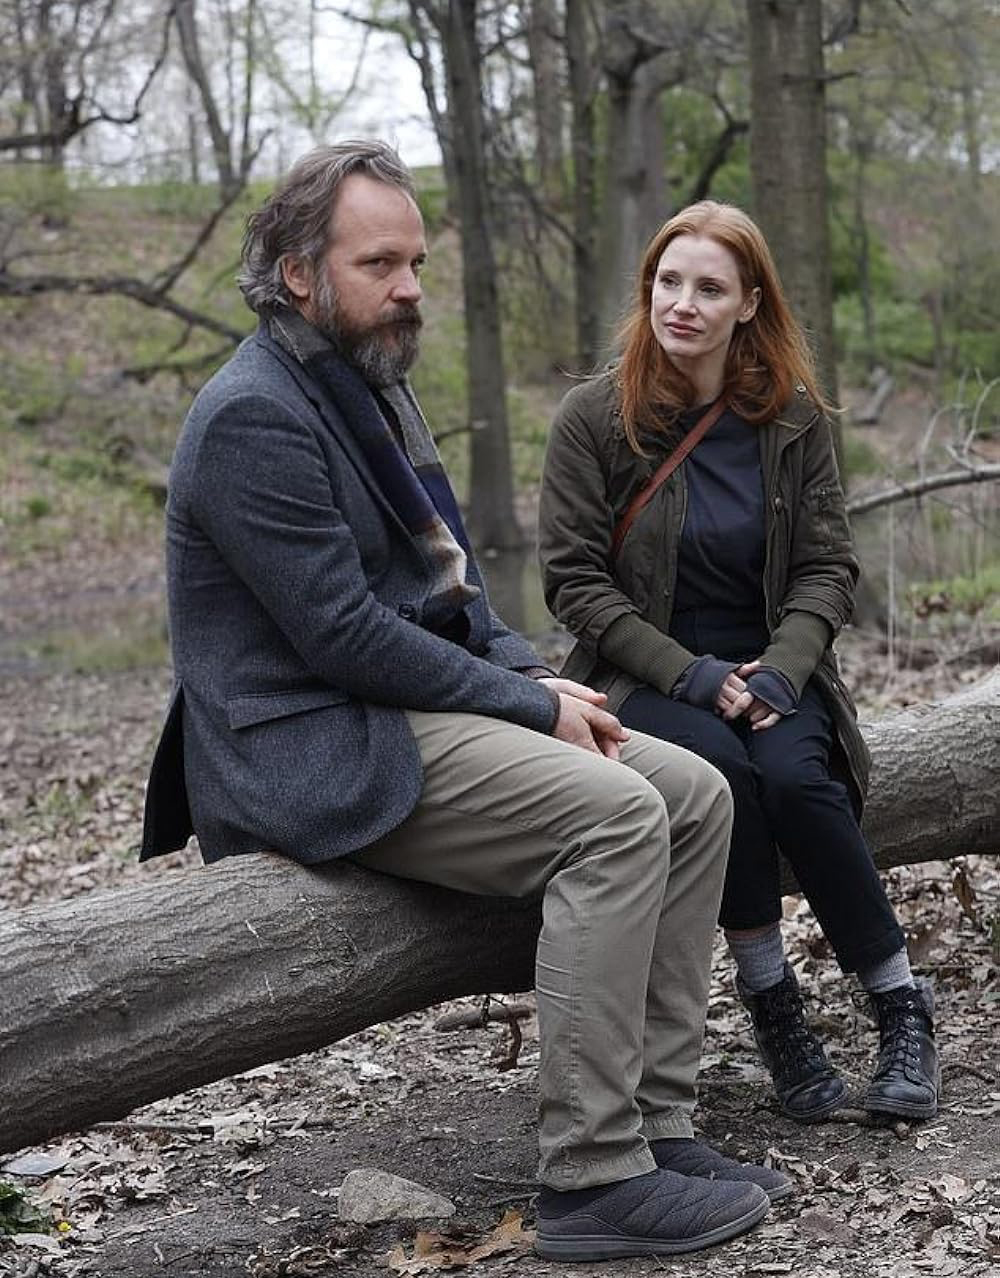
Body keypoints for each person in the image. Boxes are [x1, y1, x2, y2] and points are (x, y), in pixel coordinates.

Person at [140, 144, 792, 1262]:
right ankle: (593, 1177)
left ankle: (657, 1125)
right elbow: (342, 635)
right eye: (379, 264)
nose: (409, 288)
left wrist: (530, 675)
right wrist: (529, 711)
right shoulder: (254, 415)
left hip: (392, 704)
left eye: (417, 264)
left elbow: (449, 587)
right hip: (309, 740)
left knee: (694, 791)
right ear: (297, 274)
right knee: (616, 813)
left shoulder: (364, 380)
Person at [538, 200, 938, 1127]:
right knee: (716, 776)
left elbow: (828, 567)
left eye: (709, 288)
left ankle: (899, 1001)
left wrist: (783, 671)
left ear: (749, 303)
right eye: (668, 282)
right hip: (648, 671)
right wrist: (691, 676)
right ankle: (773, 1002)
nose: (682, 304)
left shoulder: (790, 417)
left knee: (796, 778)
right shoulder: (593, 418)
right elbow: (574, 583)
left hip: (772, 665)